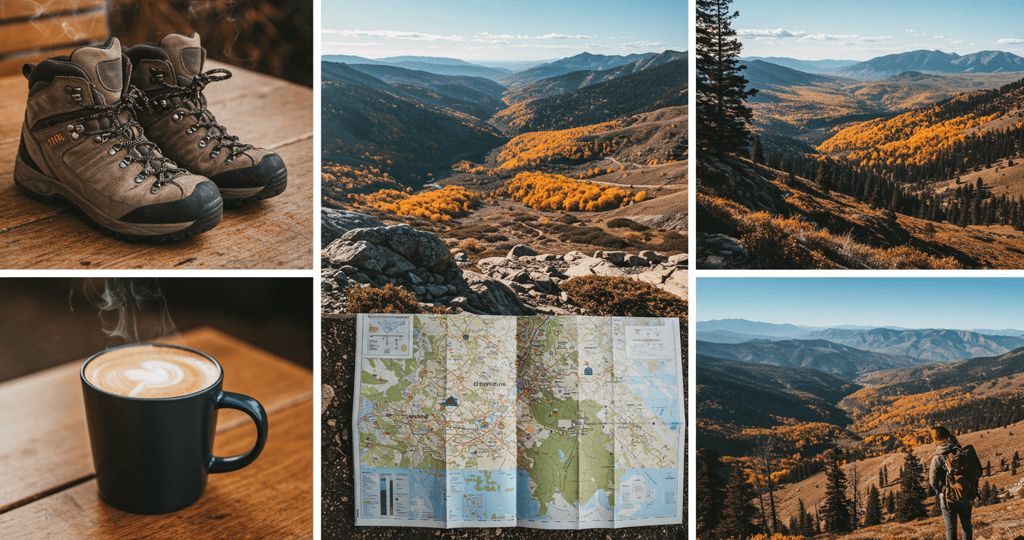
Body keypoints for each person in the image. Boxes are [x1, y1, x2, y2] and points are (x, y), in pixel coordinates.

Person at [928, 425, 982, 540]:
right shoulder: (962, 451)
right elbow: (979, 471)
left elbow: (932, 481)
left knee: (951, 529)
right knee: (966, 525)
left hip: (948, 498)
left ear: (935, 440)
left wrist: (940, 492)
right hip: (966, 494)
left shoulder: (938, 457)